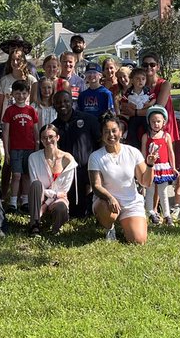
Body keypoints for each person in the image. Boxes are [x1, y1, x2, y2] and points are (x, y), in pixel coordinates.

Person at [89, 113, 153, 244]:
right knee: (104, 207)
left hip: (131, 203)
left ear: (121, 131)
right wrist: (110, 198)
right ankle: (109, 227)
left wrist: (150, 165)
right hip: (107, 202)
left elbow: (145, 182)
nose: (111, 135)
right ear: (102, 134)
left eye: (114, 131)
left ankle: (126, 222)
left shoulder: (133, 152)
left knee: (138, 241)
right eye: (106, 132)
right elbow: (96, 186)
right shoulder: (95, 157)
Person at [51, 90, 102, 218]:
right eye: (58, 102)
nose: (62, 104)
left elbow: (100, 140)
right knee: (75, 212)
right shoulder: (54, 127)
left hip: (88, 168)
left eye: (66, 101)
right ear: (54, 105)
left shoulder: (88, 119)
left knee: (91, 202)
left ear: (71, 102)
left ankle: (93, 210)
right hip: (68, 173)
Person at [27, 124, 77, 238]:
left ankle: (55, 229)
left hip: (59, 199)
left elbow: (64, 190)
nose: (48, 140)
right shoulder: (33, 158)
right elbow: (34, 183)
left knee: (61, 208)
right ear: (40, 140)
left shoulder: (68, 159)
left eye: (51, 136)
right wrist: (53, 194)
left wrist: (44, 207)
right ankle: (34, 225)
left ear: (57, 137)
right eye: (44, 137)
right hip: (40, 196)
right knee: (36, 185)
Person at [1, 80, 39, 210]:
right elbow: (5, 132)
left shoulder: (31, 110)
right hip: (15, 148)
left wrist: (37, 147)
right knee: (16, 175)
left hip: (30, 148)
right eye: (17, 93)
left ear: (28, 93)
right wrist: (6, 151)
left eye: (23, 93)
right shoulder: (9, 111)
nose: (21, 96)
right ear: (12, 94)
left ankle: (25, 201)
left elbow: (35, 130)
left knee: (27, 175)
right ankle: (12, 201)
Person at [142, 105, 176, 224]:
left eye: (158, 121)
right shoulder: (146, 136)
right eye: (153, 121)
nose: (156, 124)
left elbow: (171, 152)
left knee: (163, 191)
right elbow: (143, 153)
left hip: (163, 167)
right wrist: (143, 168)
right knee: (150, 191)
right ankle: (150, 212)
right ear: (149, 122)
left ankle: (167, 214)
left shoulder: (166, 136)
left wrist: (173, 167)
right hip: (151, 167)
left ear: (163, 122)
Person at [141, 52, 179, 143]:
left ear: (158, 67)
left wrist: (135, 112)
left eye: (152, 64)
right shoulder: (140, 86)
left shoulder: (164, 84)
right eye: (145, 65)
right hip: (145, 125)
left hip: (163, 127)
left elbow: (157, 110)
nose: (149, 67)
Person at [122, 67, 153, 148]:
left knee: (148, 129)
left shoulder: (147, 91)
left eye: (143, 79)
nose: (140, 81)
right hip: (133, 116)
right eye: (137, 79)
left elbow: (154, 98)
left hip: (144, 115)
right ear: (132, 80)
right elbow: (123, 102)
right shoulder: (129, 92)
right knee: (131, 130)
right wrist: (128, 105)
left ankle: (149, 144)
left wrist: (149, 104)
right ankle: (135, 146)